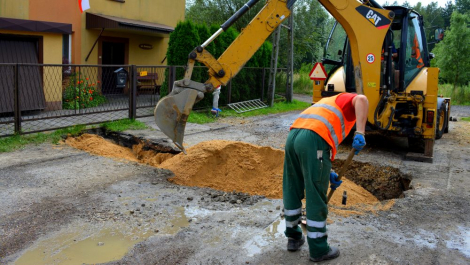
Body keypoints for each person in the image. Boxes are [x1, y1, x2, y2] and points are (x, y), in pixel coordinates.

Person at [282, 92, 368, 262]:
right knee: (315, 193)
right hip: (313, 139)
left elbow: (314, 145)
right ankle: (319, 249)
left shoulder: (328, 103)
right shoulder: (347, 98)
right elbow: (362, 99)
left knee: (291, 187)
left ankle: (293, 238)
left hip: (293, 137)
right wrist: (361, 132)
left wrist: (327, 172)